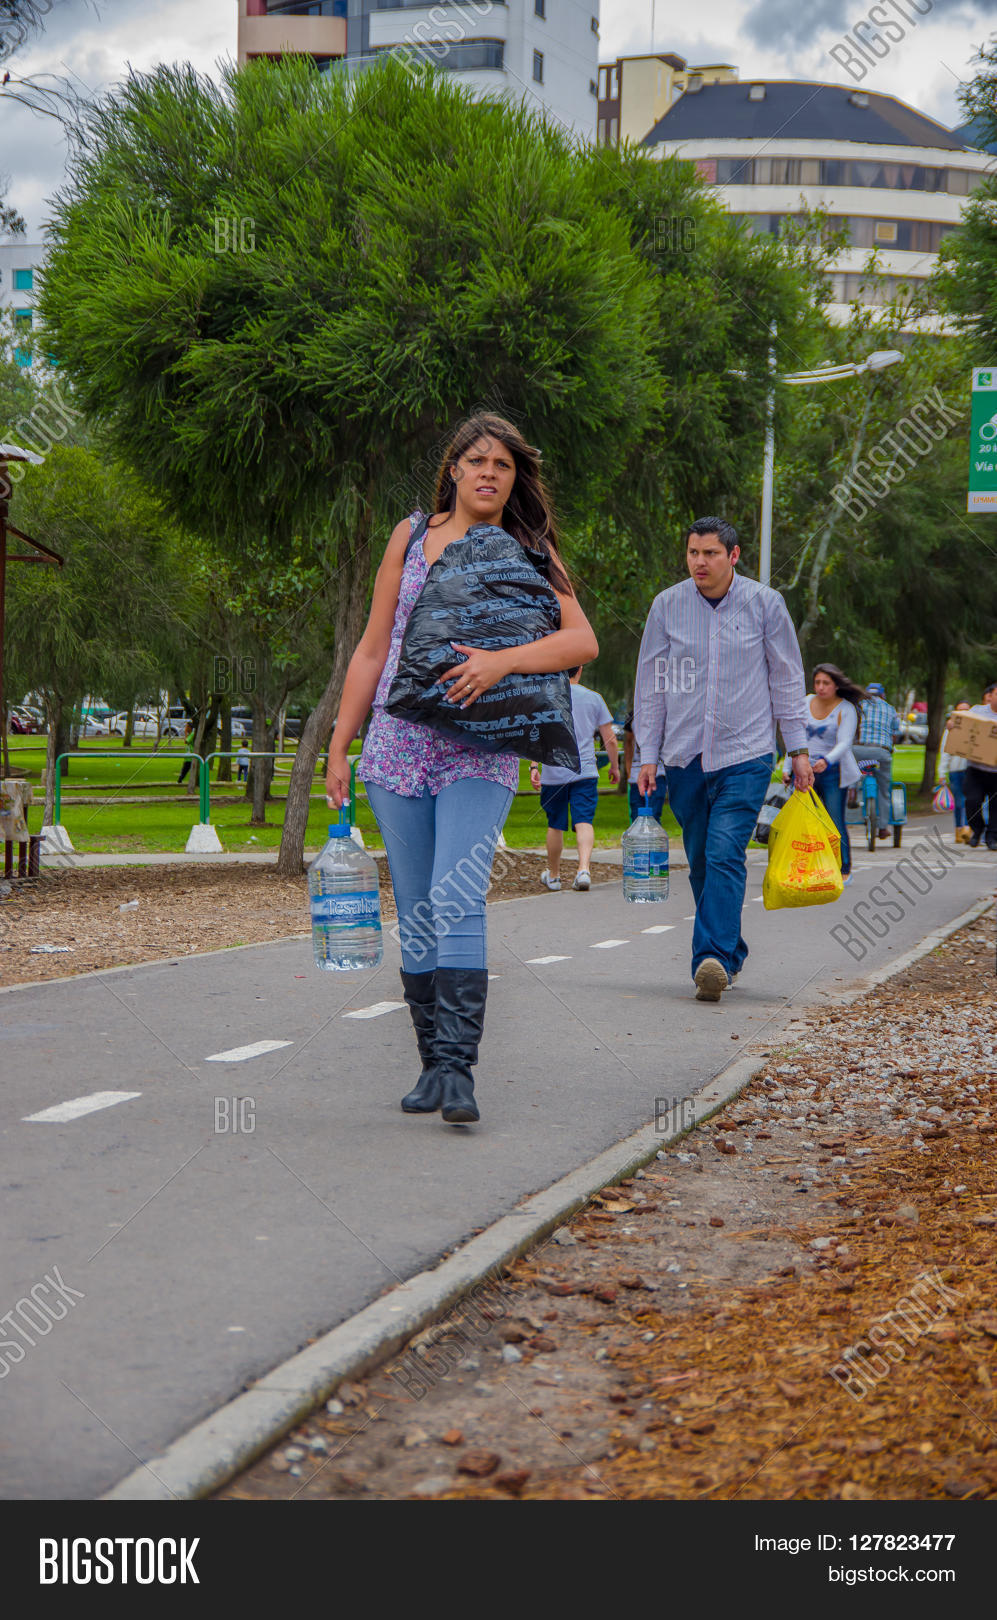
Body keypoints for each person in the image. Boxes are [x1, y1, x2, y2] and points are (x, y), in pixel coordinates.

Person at [325, 413, 598, 1125]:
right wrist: (338, 743)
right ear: (452, 469)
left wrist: (502, 661)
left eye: (501, 465)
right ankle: (429, 1066)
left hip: (479, 750)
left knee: (456, 895)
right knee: (416, 912)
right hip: (397, 748)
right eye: (475, 461)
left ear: (516, 478)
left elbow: (580, 642)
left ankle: (457, 1068)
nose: (487, 473)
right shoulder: (410, 537)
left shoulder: (531, 548)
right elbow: (371, 648)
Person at [634, 516, 813, 1003]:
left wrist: (797, 749)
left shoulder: (765, 604)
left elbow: (785, 677)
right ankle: (729, 951)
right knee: (698, 862)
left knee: (724, 853)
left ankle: (708, 959)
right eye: (693, 553)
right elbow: (651, 685)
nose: (699, 562)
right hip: (684, 755)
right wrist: (646, 754)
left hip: (746, 753)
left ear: (733, 556)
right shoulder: (667, 606)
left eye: (710, 553)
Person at [528, 666, 619, 892]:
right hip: (585, 771)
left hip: (553, 772)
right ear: (580, 670)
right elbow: (610, 739)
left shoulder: (544, 698)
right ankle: (583, 870)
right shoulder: (594, 698)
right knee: (584, 821)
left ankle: (555, 876)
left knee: (555, 824)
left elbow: (535, 736)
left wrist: (533, 765)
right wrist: (615, 766)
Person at [796, 663, 865, 885]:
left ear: (836, 685)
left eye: (826, 683)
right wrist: (789, 768)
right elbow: (796, 736)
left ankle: (844, 868)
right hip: (805, 770)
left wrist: (827, 760)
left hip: (833, 771)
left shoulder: (845, 708)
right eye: (817, 682)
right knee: (806, 821)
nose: (821, 687)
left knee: (834, 820)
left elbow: (845, 741)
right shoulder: (805, 703)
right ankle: (810, 866)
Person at [856, 681, 903, 839]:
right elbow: (895, 733)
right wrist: (889, 746)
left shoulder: (859, 705)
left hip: (859, 749)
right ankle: (883, 827)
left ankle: (851, 791)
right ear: (883, 695)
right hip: (881, 752)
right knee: (884, 790)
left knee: (851, 772)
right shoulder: (890, 709)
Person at [962, 681, 997, 849]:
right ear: (991, 696)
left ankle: (992, 837)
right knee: (972, 801)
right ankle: (978, 828)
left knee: (996, 806)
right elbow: (961, 724)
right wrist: (951, 725)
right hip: (976, 769)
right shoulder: (977, 711)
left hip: (996, 772)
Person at [622, 707, 667, 823]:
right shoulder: (633, 714)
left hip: (658, 772)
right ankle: (639, 840)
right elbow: (628, 743)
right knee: (636, 815)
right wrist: (629, 771)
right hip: (637, 773)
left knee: (654, 814)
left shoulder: (664, 712)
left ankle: (652, 839)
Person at [939, 701, 971, 844]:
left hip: (970, 769)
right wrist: (942, 772)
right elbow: (945, 752)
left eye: (966, 710)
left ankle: (966, 828)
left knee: (968, 800)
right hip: (955, 771)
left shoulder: (973, 729)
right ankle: (959, 829)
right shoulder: (950, 730)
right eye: (960, 710)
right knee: (959, 801)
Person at [177, 720, 195, 785]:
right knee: (185, 769)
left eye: (187, 727)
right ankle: (180, 780)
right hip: (188, 755)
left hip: (191, 756)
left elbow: (186, 741)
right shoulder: (190, 734)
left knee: (185, 769)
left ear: (190, 727)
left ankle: (179, 781)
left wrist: (185, 733)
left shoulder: (192, 734)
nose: (186, 728)